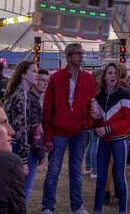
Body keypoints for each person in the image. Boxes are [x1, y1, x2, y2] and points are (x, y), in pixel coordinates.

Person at [41, 43, 97, 214]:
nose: (82, 56)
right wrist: (48, 137)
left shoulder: (88, 78)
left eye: (82, 53)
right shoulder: (56, 78)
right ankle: (47, 207)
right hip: (58, 132)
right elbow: (47, 109)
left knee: (76, 171)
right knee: (53, 171)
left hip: (79, 132)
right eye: (78, 54)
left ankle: (77, 206)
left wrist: (88, 123)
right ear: (69, 57)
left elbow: (92, 102)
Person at [91, 63, 130, 214]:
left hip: (120, 141)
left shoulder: (125, 94)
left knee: (120, 178)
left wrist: (108, 128)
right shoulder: (98, 96)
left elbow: (129, 120)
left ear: (119, 75)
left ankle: (122, 211)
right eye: (109, 73)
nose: (113, 76)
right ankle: (97, 210)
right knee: (101, 179)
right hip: (103, 142)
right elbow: (97, 122)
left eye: (115, 73)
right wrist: (95, 120)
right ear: (104, 76)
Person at [4, 60, 44, 204]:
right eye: (33, 72)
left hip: (12, 146)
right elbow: (20, 129)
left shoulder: (19, 93)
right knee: (21, 192)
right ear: (23, 75)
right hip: (15, 147)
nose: (37, 75)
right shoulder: (22, 95)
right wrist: (24, 160)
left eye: (37, 72)